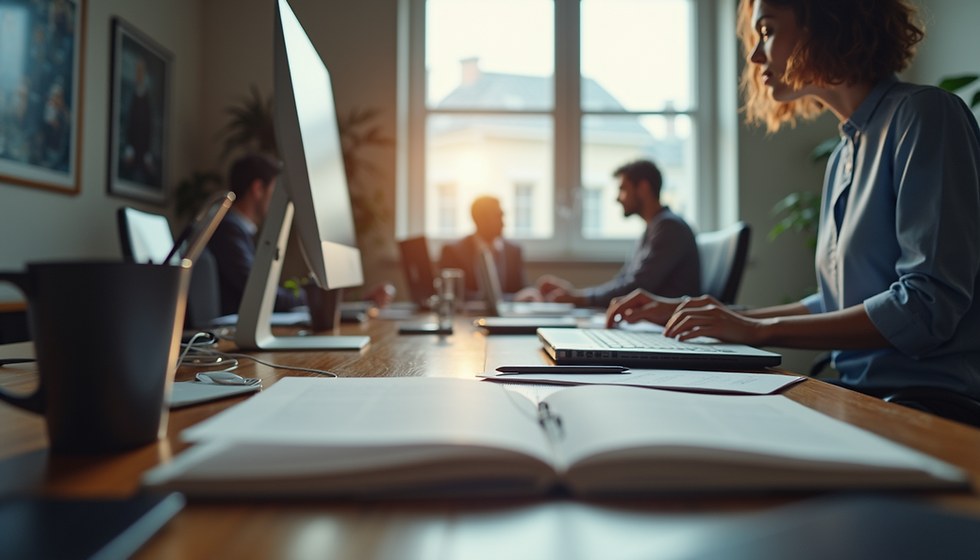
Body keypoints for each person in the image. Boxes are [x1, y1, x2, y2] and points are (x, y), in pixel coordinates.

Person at [607, 0, 980, 421]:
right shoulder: (843, 155)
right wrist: (719, 314)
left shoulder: (925, 115)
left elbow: (924, 307)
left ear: (827, 21)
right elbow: (839, 302)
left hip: (927, 409)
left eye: (767, 30)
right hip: (860, 398)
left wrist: (757, 329)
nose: (754, 54)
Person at [208, 153, 394, 316]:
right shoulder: (227, 230)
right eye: (274, 190)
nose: (277, 200)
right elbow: (262, 296)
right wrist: (315, 298)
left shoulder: (238, 230)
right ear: (257, 189)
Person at [536, 159, 700, 307]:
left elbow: (637, 288)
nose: (618, 198)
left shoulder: (669, 227)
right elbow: (623, 281)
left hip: (668, 326)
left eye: (622, 189)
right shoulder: (651, 230)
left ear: (643, 188)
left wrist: (578, 298)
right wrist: (575, 294)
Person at [439, 196, 532, 300]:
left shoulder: (513, 251)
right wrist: (511, 298)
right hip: (470, 316)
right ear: (479, 219)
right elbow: (453, 294)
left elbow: (522, 290)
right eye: (498, 216)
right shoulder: (453, 251)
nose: (503, 223)